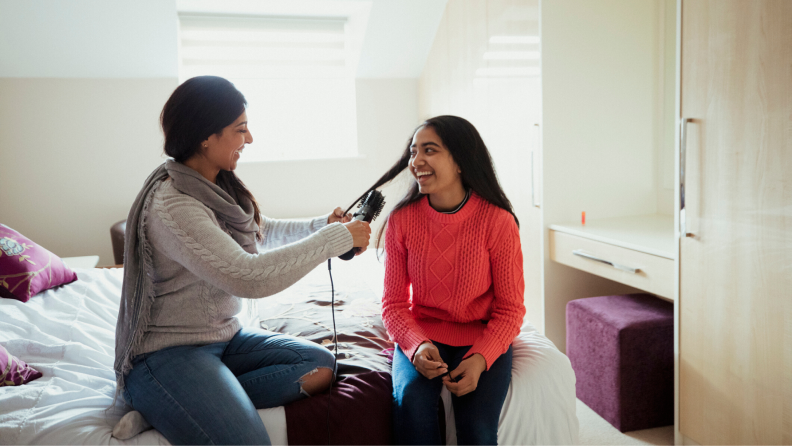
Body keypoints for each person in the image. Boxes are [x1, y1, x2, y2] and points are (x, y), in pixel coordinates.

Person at [113, 75, 371, 445]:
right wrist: (331, 240)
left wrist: (322, 225)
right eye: (240, 129)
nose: (249, 140)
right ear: (206, 136)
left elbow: (259, 228)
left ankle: (177, 405)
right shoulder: (173, 205)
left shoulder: (211, 184)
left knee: (319, 366)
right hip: (167, 355)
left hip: (222, 338)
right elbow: (249, 278)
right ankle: (165, 398)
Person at [356, 115, 526, 444]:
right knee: (411, 407)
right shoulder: (402, 221)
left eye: (429, 150)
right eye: (412, 152)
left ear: (461, 160)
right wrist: (416, 346)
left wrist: (480, 359)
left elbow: (510, 310)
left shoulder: (498, 223)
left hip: (480, 337)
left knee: (477, 428)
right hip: (423, 334)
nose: (416, 162)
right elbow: (393, 305)